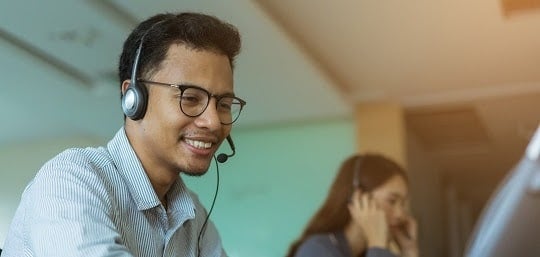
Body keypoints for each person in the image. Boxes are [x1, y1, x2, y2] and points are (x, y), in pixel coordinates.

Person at [2, 12, 246, 257]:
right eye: (190, 98)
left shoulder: (193, 216)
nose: (214, 122)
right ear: (134, 98)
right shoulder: (70, 179)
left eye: (224, 104)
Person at [286, 153, 419, 257]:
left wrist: (409, 251)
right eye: (392, 201)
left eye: (403, 204)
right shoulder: (316, 250)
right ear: (359, 199)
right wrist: (377, 244)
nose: (400, 214)